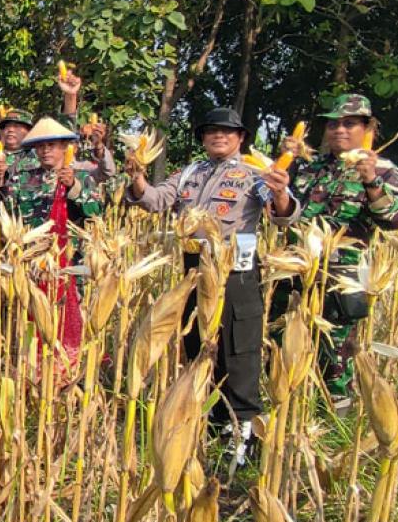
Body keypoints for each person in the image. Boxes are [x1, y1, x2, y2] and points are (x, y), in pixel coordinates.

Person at [124, 107, 299, 462]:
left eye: (227, 131)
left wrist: (281, 192)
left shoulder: (255, 172)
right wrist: (138, 177)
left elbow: (281, 215)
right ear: (203, 138)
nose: (219, 136)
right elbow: (155, 201)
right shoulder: (189, 172)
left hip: (235, 269)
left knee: (238, 347)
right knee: (198, 343)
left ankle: (243, 435)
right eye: (211, 131)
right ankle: (207, 421)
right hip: (194, 268)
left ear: (240, 138)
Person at [289, 93, 398, 397]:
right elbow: (287, 211)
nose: (339, 130)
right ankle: (291, 413)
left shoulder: (385, 170)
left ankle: (333, 416)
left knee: (335, 353)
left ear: (367, 128)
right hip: (298, 269)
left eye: (349, 123)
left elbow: (393, 219)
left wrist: (370, 181)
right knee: (288, 343)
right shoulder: (310, 167)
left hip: (343, 275)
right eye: (333, 124)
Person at [0, 117, 102, 229]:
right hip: (31, 244)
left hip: (67, 245)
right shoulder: (22, 178)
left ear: (64, 146)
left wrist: (73, 186)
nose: (45, 150)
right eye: (40, 146)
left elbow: (95, 214)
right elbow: (3, 213)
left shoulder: (83, 178)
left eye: (51, 145)